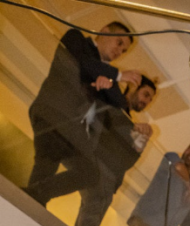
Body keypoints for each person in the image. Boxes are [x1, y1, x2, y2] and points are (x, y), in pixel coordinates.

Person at [25, 23, 141, 207]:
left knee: (87, 173)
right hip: (53, 116)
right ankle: (29, 201)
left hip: (71, 133)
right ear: (103, 32)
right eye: (119, 43)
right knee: (50, 166)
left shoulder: (105, 73)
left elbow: (119, 103)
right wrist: (117, 75)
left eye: (124, 50)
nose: (120, 51)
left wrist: (108, 83)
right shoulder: (75, 38)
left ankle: (28, 200)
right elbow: (84, 63)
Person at [74, 76, 157, 226]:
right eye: (146, 94)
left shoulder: (127, 120)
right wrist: (133, 130)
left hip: (109, 178)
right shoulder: (111, 103)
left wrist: (139, 145)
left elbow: (125, 163)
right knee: (92, 212)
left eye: (150, 99)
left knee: (91, 214)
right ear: (133, 87)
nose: (147, 101)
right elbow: (94, 122)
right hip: (95, 166)